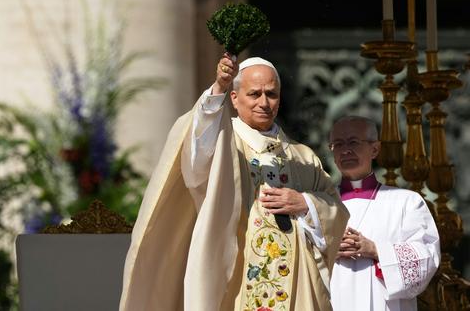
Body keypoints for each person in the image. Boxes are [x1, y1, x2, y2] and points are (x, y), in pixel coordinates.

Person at [119, 53, 349, 311]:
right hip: (238, 279)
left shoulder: (303, 156)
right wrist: (218, 87)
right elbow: (197, 157)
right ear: (234, 98)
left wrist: (305, 203)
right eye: (254, 94)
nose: (264, 102)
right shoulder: (223, 145)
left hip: (299, 288)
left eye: (271, 94)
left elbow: (337, 212)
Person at [329, 116, 441, 311]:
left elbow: (427, 258)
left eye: (353, 142)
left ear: (375, 149)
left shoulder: (407, 202)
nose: (345, 150)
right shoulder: (319, 204)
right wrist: (328, 250)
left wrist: (374, 249)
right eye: (337, 144)